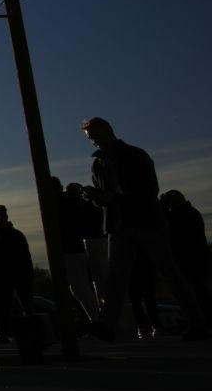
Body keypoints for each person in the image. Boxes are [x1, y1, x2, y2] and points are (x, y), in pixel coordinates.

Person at [80, 118, 208, 341]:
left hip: (146, 222)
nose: (94, 143)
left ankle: (198, 322)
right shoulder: (98, 163)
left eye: (95, 137)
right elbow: (109, 196)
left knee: (169, 273)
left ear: (107, 131)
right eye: (91, 140)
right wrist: (97, 198)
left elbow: (149, 191)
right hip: (119, 225)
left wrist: (112, 198)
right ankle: (107, 326)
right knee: (116, 279)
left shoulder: (135, 155)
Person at [0, 204, 35, 341]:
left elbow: (25, 256)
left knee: (26, 304)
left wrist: (28, 274)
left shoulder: (16, 235)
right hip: (1, 277)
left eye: (2, 215)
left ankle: (31, 332)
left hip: (18, 274)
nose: (0, 218)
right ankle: (8, 333)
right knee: (4, 307)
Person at [54, 177, 101, 323]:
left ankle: (97, 320)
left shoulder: (62, 204)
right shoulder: (80, 205)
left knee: (80, 288)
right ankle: (98, 320)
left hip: (72, 250)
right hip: (80, 248)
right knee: (87, 287)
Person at [162, 190, 212, 328]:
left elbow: (170, 231)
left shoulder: (180, 216)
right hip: (198, 259)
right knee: (199, 291)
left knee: (196, 292)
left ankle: (202, 321)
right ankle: (204, 319)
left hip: (190, 260)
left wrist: (163, 210)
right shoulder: (191, 213)